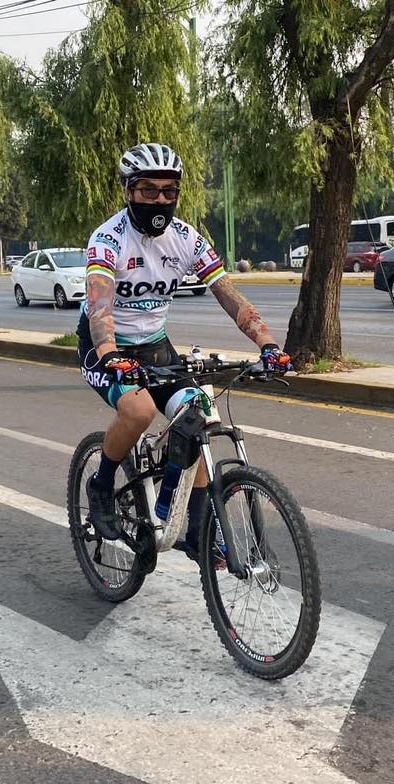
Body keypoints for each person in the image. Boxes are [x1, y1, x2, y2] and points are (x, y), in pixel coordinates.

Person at [79, 143, 292, 561]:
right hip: (105, 345)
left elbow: (229, 296)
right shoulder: (108, 240)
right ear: (128, 191)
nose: (160, 200)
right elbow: (100, 306)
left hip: (155, 345)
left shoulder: (186, 239)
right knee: (138, 412)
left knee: (200, 414)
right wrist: (108, 351)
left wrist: (267, 343)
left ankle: (191, 527)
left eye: (169, 191)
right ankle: (101, 485)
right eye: (148, 190)